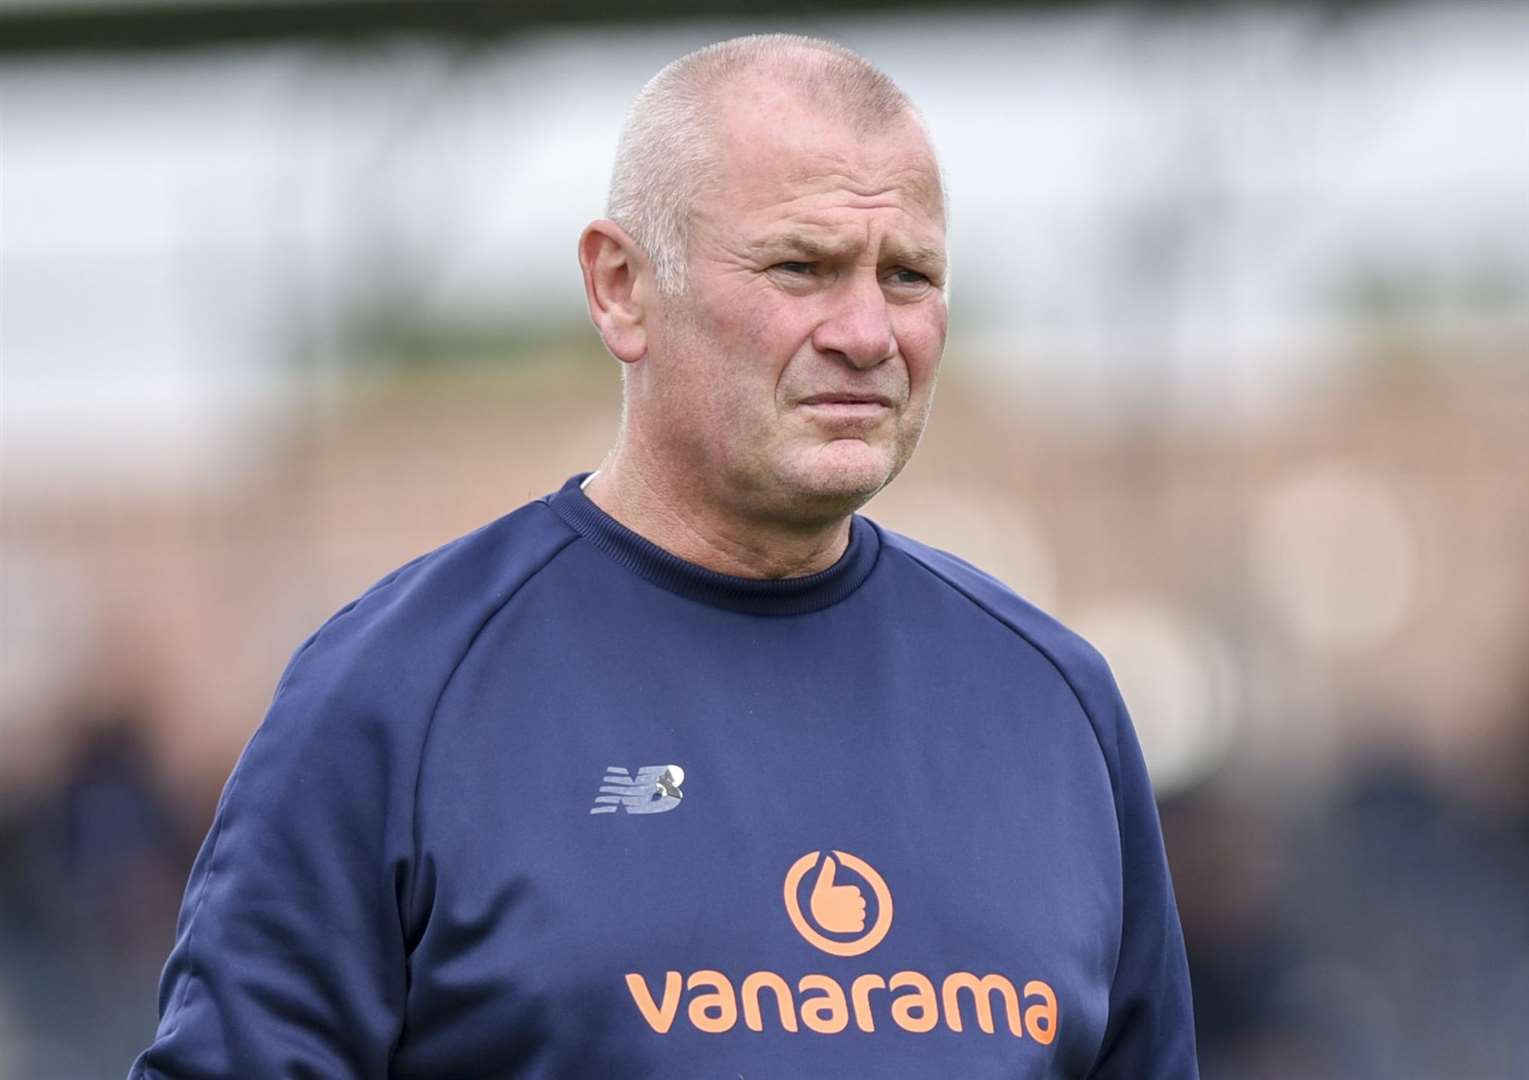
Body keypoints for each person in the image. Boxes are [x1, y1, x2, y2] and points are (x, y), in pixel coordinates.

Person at [131, 34, 1197, 1078]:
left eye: (909, 275)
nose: (867, 333)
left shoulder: (1055, 702)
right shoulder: (400, 692)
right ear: (621, 288)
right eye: (802, 266)